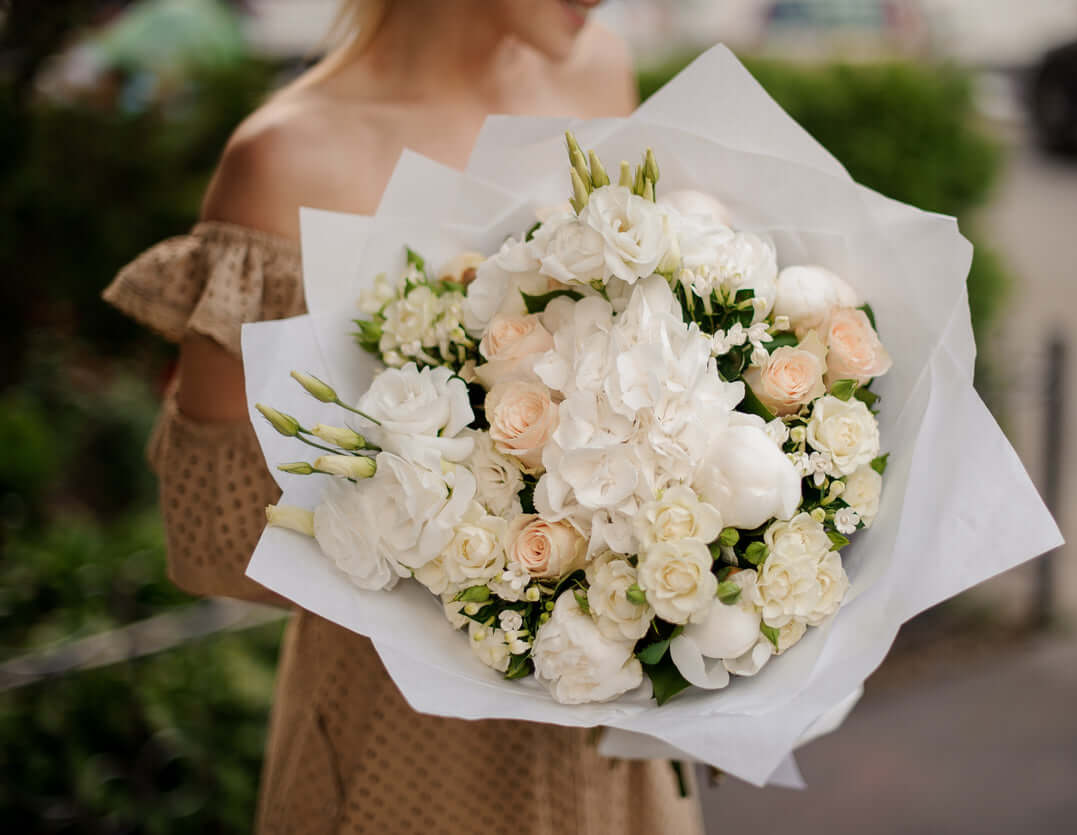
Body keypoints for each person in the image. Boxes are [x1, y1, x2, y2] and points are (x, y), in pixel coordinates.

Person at [102, 2, 704, 832]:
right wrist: (462, 539)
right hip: (403, 750)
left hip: (604, 732)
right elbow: (211, 540)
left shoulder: (596, 68)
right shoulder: (286, 157)